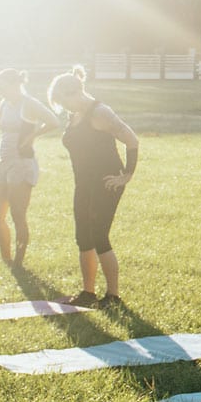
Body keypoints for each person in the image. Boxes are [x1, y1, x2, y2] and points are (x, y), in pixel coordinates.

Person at [47, 65, 141, 309]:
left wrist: (127, 174)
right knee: (83, 237)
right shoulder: (75, 115)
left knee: (99, 236)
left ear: (73, 92)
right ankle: (88, 293)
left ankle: (113, 296)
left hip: (106, 183)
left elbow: (131, 139)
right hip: (84, 183)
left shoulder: (100, 112)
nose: (63, 107)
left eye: (62, 101)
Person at [0, 69, 56, 266]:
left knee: (17, 214)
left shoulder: (29, 104)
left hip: (22, 163)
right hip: (4, 162)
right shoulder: (5, 103)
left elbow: (54, 121)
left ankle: (18, 262)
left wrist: (32, 135)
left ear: (13, 85)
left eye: (0, 86)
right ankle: (6, 258)